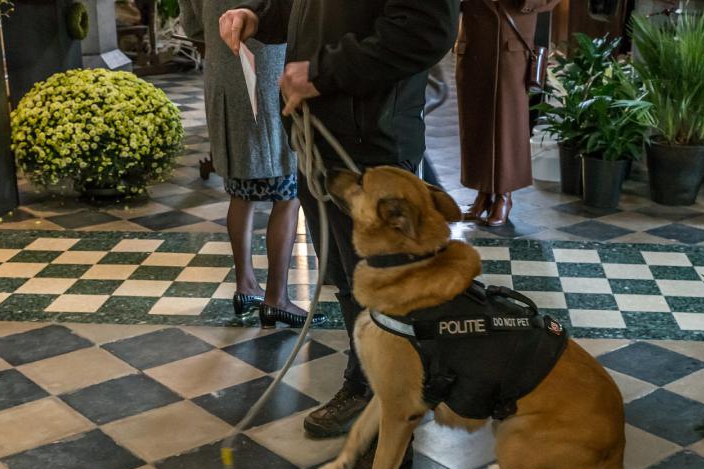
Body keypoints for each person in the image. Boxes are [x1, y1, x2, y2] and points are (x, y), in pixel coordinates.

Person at [219, 1, 459, 440]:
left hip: (375, 143)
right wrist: (258, 18)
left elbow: (425, 32)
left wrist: (320, 73)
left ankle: (395, 412)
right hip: (322, 135)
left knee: (386, 287)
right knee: (349, 279)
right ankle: (366, 383)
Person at [179, 0, 326, 328]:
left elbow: (193, 26)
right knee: (288, 192)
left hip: (223, 75)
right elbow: (293, 17)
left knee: (240, 192)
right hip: (272, 74)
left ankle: (246, 285)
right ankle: (277, 297)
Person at [457, 0, 557, 227]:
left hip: (511, 45)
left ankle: (504, 195)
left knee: (507, 122)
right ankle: (483, 193)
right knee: (474, 122)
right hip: (474, 42)